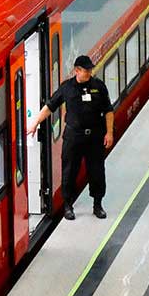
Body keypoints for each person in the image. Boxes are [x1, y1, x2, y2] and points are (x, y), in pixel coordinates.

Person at [30, 55, 114, 220]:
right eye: (86, 70)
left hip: (95, 136)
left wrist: (109, 132)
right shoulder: (67, 88)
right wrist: (35, 123)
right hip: (74, 137)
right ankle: (68, 205)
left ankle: (98, 204)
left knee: (97, 170)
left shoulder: (99, 86)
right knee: (69, 171)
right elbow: (50, 106)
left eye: (90, 69)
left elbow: (108, 110)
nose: (89, 72)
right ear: (77, 70)